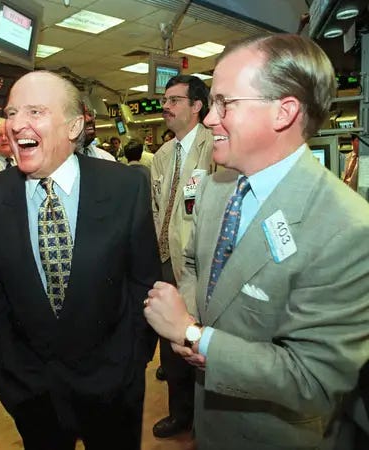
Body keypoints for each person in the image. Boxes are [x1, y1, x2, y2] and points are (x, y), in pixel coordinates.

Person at [143, 33, 369, 449]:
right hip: (210, 422)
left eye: (225, 103)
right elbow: (193, 262)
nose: (210, 119)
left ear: (283, 112)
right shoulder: (215, 186)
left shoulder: (347, 228)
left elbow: (312, 379)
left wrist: (193, 335)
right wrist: (189, 316)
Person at [0, 71, 161, 450]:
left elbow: (143, 281)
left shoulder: (125, 186)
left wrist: (131, 360)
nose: (16, 124)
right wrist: (8, 373)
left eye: (35, 112)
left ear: (74, 126)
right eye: (11, 113)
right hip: (31, 393)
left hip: (113, 388)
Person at [150, 74, 216, 439]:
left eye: (175, 100)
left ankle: (206, 417)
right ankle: (180, 413)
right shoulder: (161, 156)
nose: (166, 107)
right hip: (165, 261)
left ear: (196, 106)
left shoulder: (214, 148)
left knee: (199, 341)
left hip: (201, 265)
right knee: (170, 342)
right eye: (165, 100)